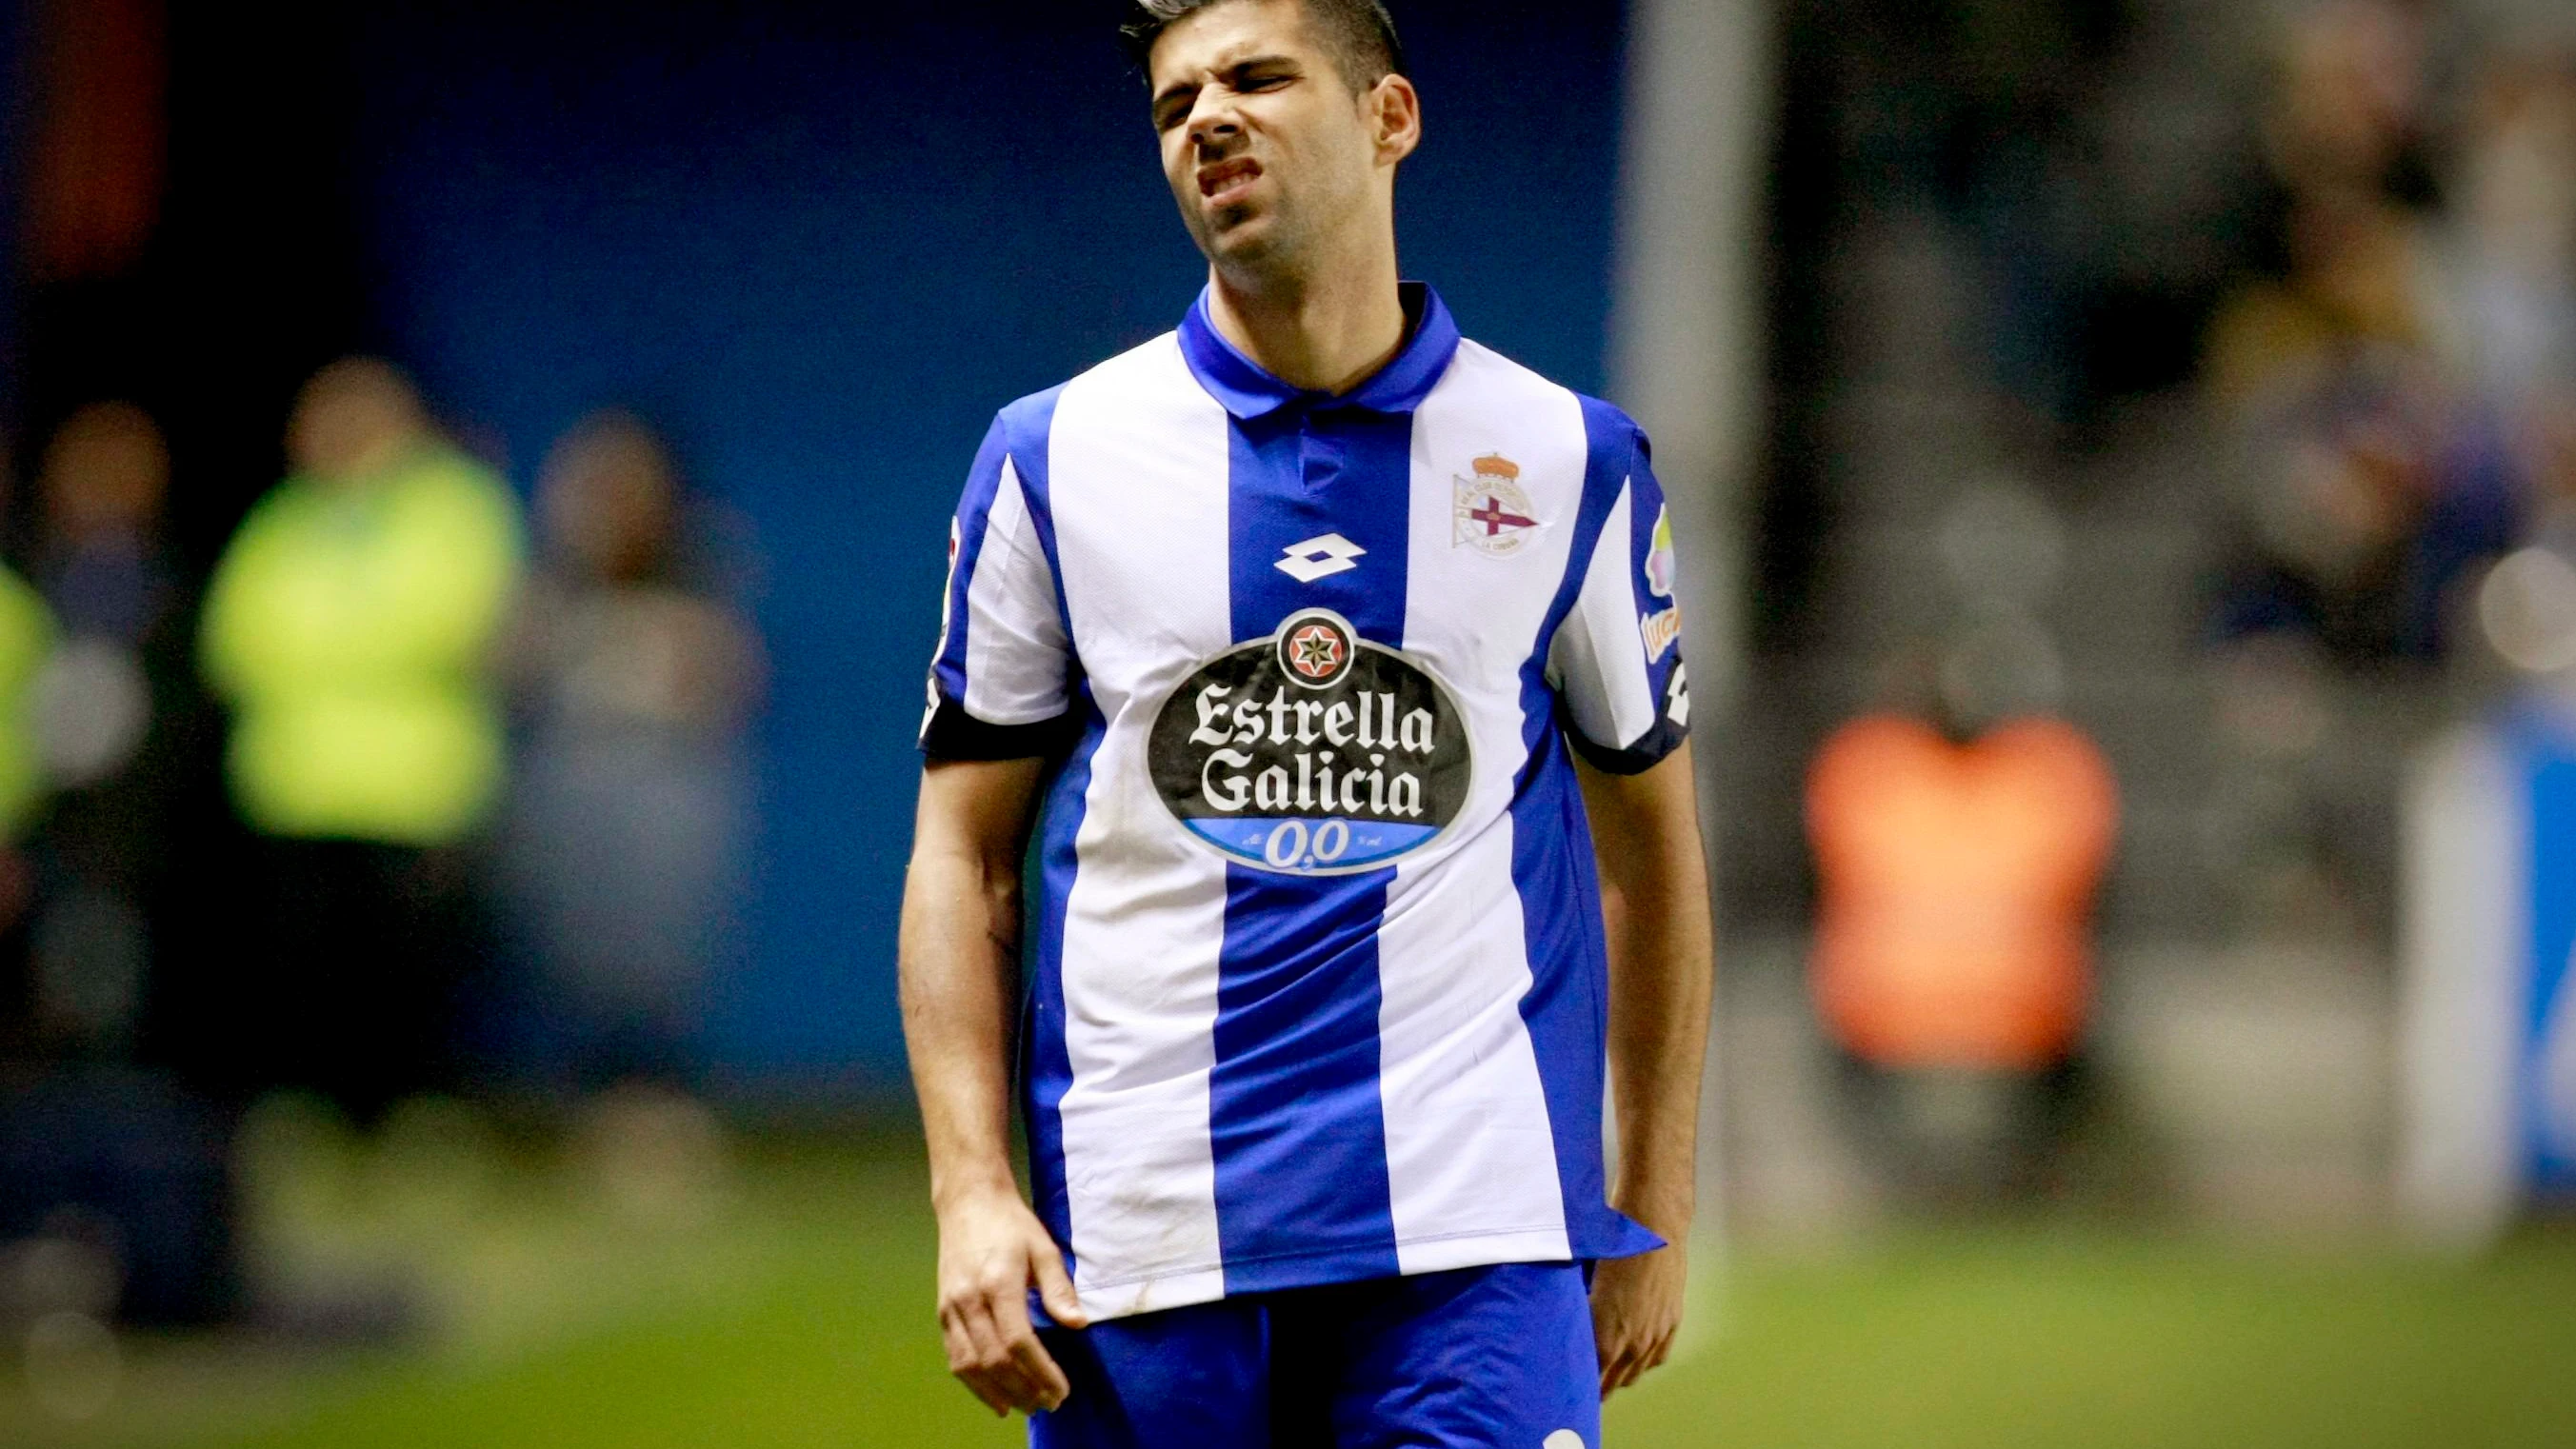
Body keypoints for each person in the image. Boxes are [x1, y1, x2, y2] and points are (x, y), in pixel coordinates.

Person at [896, 3, 1714, 1444]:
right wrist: (972, 1193)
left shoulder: (1567, 459)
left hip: (1474, 1232)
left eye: (1258, 78)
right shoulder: (1051, 459)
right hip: (1144, 1241)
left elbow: (1651, 852)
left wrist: (1649, 1199)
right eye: (1174, 102)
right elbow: (963, 859)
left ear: (1390, 118)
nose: (1208, 116)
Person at [197, 357, 523, 1121]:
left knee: (412, 977)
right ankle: (317, 1119)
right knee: (306, 975)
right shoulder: (285, 518)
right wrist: (358, 640)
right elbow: (233, 640)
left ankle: (415, 1121)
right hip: (296, 791)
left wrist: (322, 646)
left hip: (417, 792)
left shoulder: (454, 506)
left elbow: (449, 624)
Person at [500, 410, 762, 1095]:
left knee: (654, 954)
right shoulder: (549, 582)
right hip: (572, 794)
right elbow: (508, 665)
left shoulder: (700, 570)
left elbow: (725, 677)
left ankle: (653, 1094)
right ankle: (583, 1097)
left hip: (664, 798)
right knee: (574, 950)